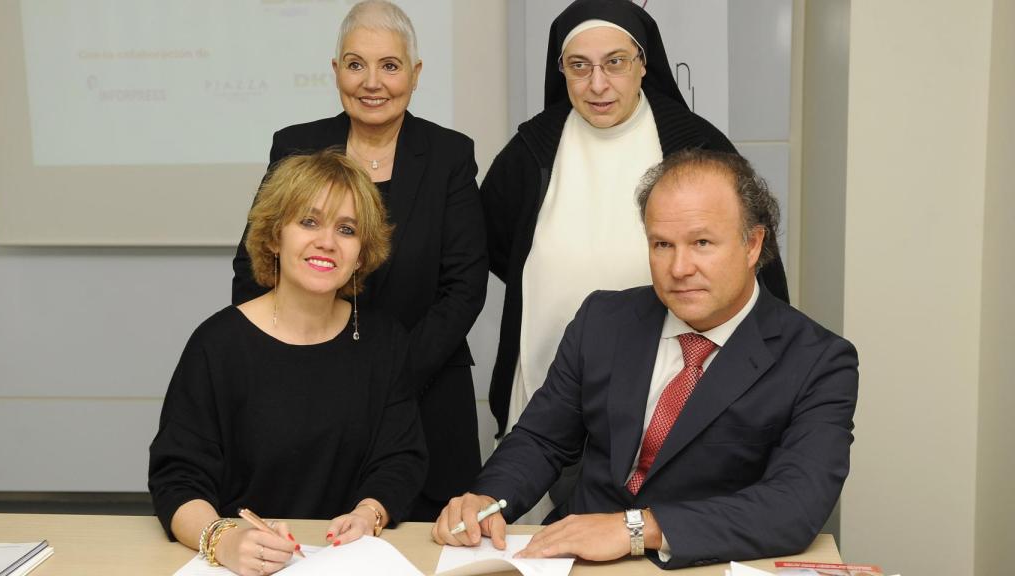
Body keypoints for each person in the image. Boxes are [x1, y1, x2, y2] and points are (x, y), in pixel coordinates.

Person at [434, 149, 858, 570]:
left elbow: (794, 504)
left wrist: (637, 528)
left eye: (702, 243)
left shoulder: (817, 360)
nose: (679, 267)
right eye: (662, 244)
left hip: (699, 563)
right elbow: (541, 440)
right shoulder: (603, 320)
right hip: (572, 561)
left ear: (752, 245)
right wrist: (489, 499)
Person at [481, 0, 791, 442]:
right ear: (561, 70)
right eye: (579, 66)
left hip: (667, 393)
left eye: (615, 63)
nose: (597, 84)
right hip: (544, 380)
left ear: (643, 64)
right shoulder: (531, 148)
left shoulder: (697, 145)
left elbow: (754, 261)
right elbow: (493, 246)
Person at [230, 0, 487, 521]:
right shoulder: (295, 146)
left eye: (389, 66)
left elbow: (464, 287)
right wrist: (295, 365)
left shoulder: (449, 155)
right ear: (335, 71)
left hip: (424, 395)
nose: (372, 82)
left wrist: (389, 379)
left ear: (414, 75)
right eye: (355, 64)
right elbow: (253, 265)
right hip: (304, 398)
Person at [150, 149, 427, 576]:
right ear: (275, 236)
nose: (327, 242)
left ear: (361, 252)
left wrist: (369, 513)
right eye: (309, 222)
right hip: (239, 565)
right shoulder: (218, 344)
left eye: (347, 229)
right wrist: (223, 539)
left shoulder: (385, 342)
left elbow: (400, 459)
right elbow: (177, 478)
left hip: (347, 563)